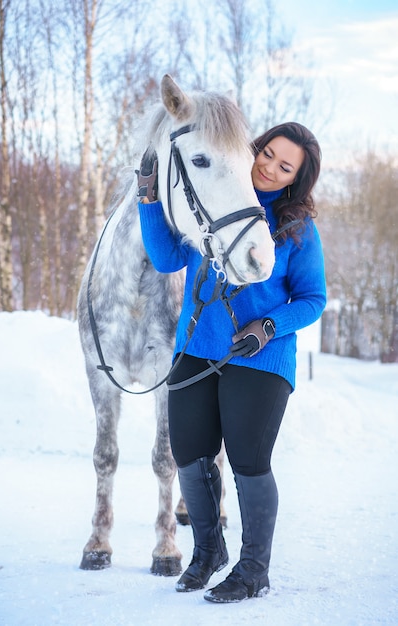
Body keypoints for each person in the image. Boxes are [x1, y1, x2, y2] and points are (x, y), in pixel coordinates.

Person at [136, 122, 326, 603]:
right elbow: (165, 259)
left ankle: (253, 570)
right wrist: (149, 200)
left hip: (259, 357)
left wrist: (268, 328)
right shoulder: (216, 196)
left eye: (285, 167)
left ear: (294, 180)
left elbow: (312, 298)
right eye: (267, 153)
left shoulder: (297, 228)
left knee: (247, 460)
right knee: (189, 454)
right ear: (255, 147)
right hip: (197, 346)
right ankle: (207, 553)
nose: (269, 166)